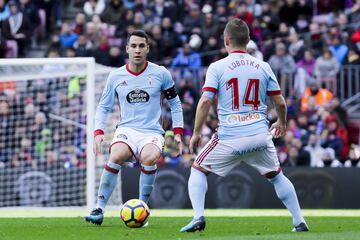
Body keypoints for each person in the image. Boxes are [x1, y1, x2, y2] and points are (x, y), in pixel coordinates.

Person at [180, 19, 308, 233]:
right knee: (277, 176)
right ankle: (299, 221)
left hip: (230, 136)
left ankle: (198, 217)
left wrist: (195, 133)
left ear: (225, 40)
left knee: (198, 169)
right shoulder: (263, 66)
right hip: (259, 134)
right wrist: (282, 123)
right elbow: (280, 103)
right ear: (248, 41)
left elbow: (204, 101)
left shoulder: (217, 67)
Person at [85, 30, 184, 226]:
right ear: (127, 49)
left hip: (152, 132)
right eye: (133, 46)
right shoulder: (115, 76)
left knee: (148, 158)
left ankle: (142, 210)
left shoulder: (161, 73)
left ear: (147, 49)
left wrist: (178, 132)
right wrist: (98, 132)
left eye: (141, 46)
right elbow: (103, 107)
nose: (137, 50)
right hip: (126, 130)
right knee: (116, 155)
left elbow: (175, 104)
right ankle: (98, 209)